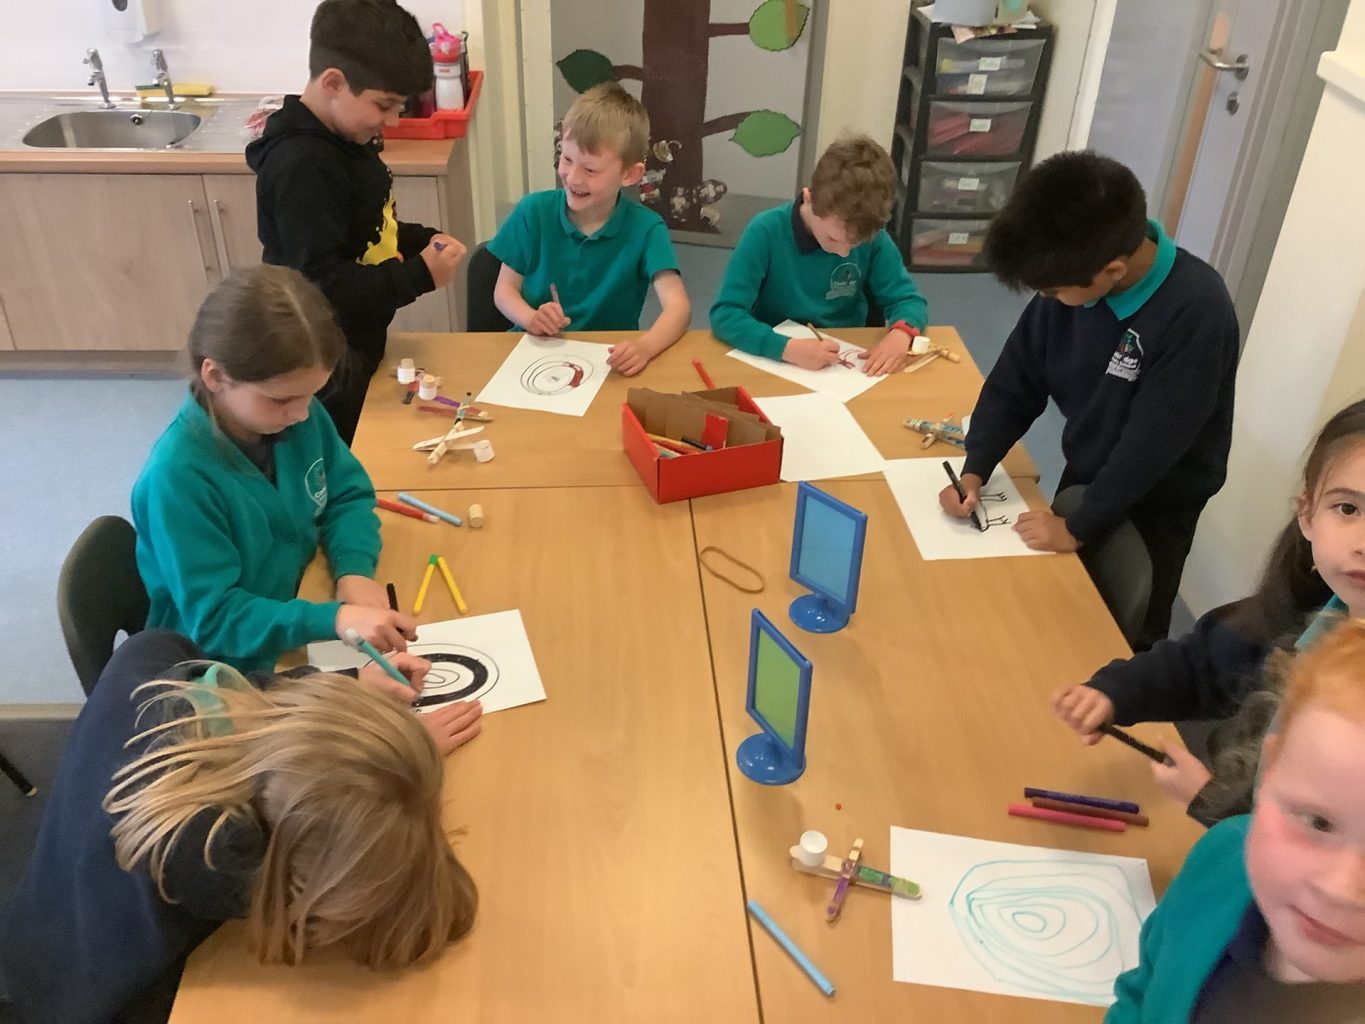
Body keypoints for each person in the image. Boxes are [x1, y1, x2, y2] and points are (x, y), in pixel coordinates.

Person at [0, 629, 481, 1024]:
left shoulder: (162, 661)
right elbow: (331, 904)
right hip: (92, 995)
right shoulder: (214, 849)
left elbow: (262, 696)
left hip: (43, 914)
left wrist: (382, 759)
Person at [940, 151, 1238, 649]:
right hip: (1090, 472)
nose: (1047, 300)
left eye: (1054, 292)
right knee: (1058, 609)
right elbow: (1016, 380)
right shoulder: (1071, 280)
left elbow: (1151, 447)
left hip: (1159, 501)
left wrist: (1080, 526)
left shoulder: (1198, 311)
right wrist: (977, 466)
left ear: (1112, 270)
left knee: (1127, 632)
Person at [1054, 399, 1365, 825]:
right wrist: (1114, 692)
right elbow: (1200, 664)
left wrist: (1210, 802)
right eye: (1348, 509)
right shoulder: (1300, 614)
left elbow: (1327, 841)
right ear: (1307, 515)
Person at [132, 265, 413, 674]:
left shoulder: (295, 416)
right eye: (281, 400)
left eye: (311, 395)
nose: (302, 414)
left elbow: (347, 493)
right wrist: (332, 618)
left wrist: (353, 568)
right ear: (216, 376)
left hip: (295, 609)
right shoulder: (177, 479)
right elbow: (216, 619)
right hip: (226, 667)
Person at [1106, 617, 1365, 1021]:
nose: (1341, 890)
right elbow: (1141, 994)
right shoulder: (1223, 859)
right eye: (1318, 822)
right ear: (1270, 769)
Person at [247, 0, 467, 443]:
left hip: (357, 341)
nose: (393, 121)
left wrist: (422, 239)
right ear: (333, 83)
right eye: (384, 105)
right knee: (337, 449)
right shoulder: (301, 166)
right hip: (320, 357)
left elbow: (366, 226)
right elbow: (322, 283)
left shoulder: (347, 135)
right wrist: (419, 275)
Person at [490, 81, 690, 376]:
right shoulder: (532, 212)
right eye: (566, 159)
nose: (572, 177)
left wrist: (645, 347)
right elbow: (504, 291)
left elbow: (678, 308)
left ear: (629, 174)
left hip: (606, 365)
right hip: (533, 355)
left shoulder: (647, 229)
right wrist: (531, 318)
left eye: (590, 169)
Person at [709, 134, 928, 374]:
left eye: (855, 245)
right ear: (809, 199)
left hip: (844, 361)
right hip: (775, 360)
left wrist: (901, 334)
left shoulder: (874, 238)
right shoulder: (765, 231)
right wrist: (786, 348)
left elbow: (908, 300)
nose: (844, 253)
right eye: (833, 239)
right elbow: (726, 314)